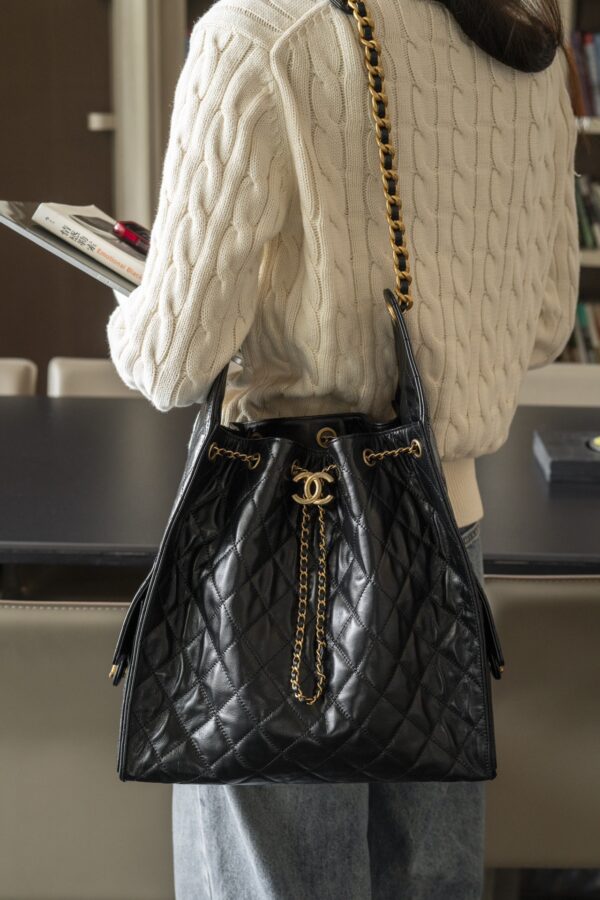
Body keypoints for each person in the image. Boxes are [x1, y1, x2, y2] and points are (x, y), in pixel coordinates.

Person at [106, 0, 582, 896]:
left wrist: (138, 297)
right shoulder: (525, 48)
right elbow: (550, 321)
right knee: (431, 880)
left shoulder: (258, 36)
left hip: (284, 550)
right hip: (448, 537)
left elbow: (171, 362)